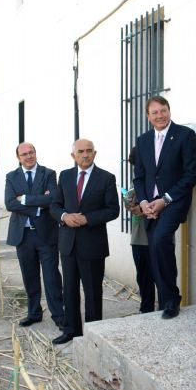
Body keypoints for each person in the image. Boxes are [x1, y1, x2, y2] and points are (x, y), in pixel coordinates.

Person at [133, 96, 196, 319]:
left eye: (163, 110)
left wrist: (165, 200)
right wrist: (143, 202)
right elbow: (139, 177)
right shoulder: (142, 141)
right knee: (156, 250)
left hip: (174, 200)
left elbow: (192, 173)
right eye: (155, 112)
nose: (160, 115)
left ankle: (171, 300)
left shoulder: (185, 135)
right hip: (149, 204)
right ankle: (164, 301)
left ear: (169, 111)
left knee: (161, 240)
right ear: (148, 116)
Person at [49, 139, 119, 344]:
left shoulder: (106, 178)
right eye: (81, 151)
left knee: (93, 292)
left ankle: (93, 334)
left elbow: (113, 210)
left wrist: (87, 218)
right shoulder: (65, 176)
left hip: (92, 245)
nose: (85, 155)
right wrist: (64, 216)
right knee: (69, 290)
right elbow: (55, 205)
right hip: (68, 244)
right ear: (73, 155)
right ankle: (71, 330)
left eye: (89, 151)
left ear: (95, 154)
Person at [4, 142, 64, 328]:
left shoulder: (48, 174)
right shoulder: (11, 176)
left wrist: (24, 199)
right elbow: (9, 203)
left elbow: (53, 198)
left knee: (51, 277)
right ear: (18, 158)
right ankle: (34, 313)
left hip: (46, 234)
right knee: (29, 276)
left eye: (31, 152)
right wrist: (37, 208)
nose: (29, 156)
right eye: (24, 154)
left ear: (36, 153)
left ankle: (59, 316)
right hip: (23, 236)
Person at [125, 146, 156, 313]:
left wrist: (143, 210)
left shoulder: (161, 179)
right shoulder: (136, 181)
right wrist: (130, 205)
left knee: (161, 275)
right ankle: (146, 310)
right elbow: (131, 203)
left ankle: (166, 307)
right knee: (143, 277)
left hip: (157, 236)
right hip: (138, 236)